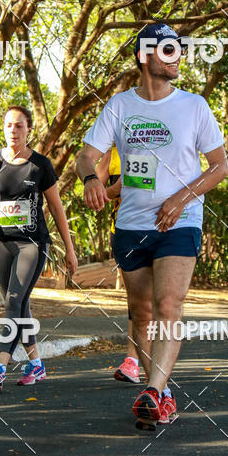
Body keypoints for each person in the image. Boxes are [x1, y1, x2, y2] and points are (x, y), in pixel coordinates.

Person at [77, 23, 228, 429]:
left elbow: (219, 166)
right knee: (141, 313)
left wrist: (181, 199)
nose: (177, 55)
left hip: (180, 223)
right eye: (168, 50)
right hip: (131, 225)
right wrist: (92, 179)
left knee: (168, 306)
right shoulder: (120, 106)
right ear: (145, 57)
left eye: (179, 49)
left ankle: (154, 389)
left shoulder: (194, 106)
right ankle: (158, 392)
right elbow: (86, 156)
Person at [0, 105, 78, 389]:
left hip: (32, 244)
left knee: (13, 300)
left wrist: (69, 250)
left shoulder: (40, 165)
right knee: (18, 304)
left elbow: (57, 209)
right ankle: (36, 365)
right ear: (3, 128)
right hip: (0, 242)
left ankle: (0, 366)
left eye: (19, 125)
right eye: (9, 125)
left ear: (29, 130)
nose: (13, 130)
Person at [95, 146, 140, 384]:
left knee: (162, 301)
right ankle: (132, 361)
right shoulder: (112, 154)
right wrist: (117, 188)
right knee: (136, 298)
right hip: (124, 232)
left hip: (164, 229)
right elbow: (97, 195)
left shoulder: (162, 146)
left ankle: (157, 359)